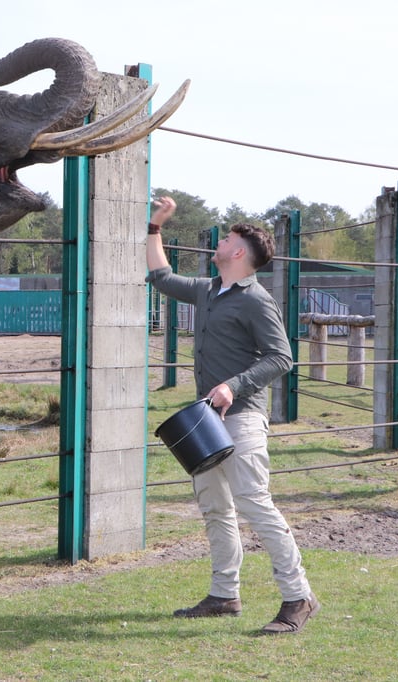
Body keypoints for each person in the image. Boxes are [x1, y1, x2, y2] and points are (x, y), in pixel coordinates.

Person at [145, 196, 319, 634]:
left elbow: (281, 358)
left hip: (241, 417)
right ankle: (225, 594)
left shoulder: (256, 300)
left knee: (254, 505)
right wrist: (154, 227)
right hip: (205, 421)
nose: (219, 242)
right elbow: (160, 277)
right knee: (215, 508)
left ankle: (298, 597)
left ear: (239, 252)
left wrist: (234, 384)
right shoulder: (208, 290)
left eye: (226, 238)